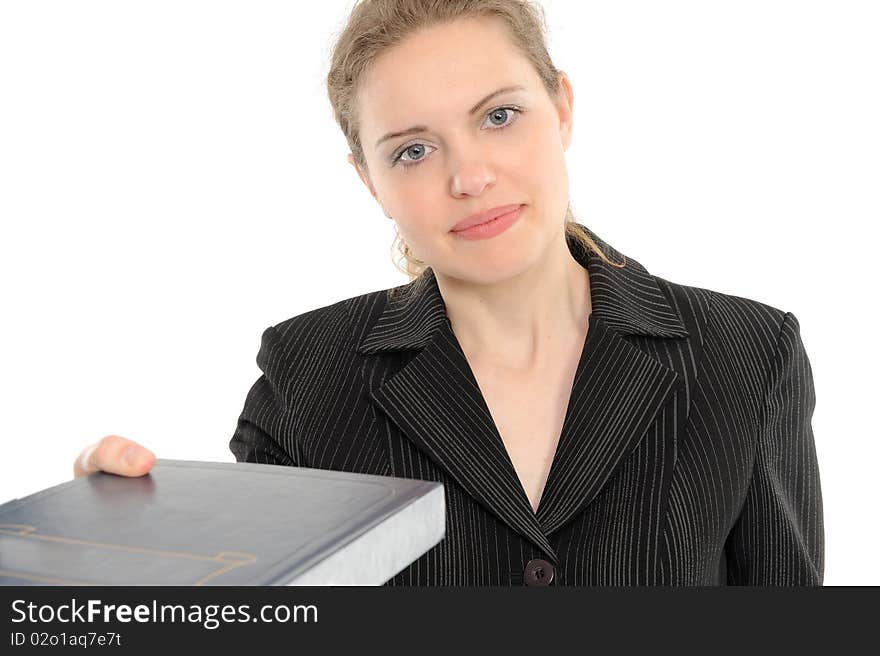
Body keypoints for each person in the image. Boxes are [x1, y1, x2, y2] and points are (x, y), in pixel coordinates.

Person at [72, 0, 824, 586]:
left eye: (500, 116)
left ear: (561, 108)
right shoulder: (308, 375)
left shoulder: (747, 356)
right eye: (413, 150)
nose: (469, 177)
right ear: (371, 181)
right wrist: (115, 555)